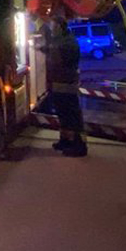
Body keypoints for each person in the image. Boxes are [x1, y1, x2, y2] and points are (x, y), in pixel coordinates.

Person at [41, 15, 87, 156]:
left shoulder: (68, 42)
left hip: (66, 83)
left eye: (53, 26)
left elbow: (58, 56)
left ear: (60, 27)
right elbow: (53, 48)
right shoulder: (64, 40)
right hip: (60, 83)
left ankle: (79, 145)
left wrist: (47, 50)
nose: (52, 29)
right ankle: (65, 140)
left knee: (71, 114)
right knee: (63, 114)